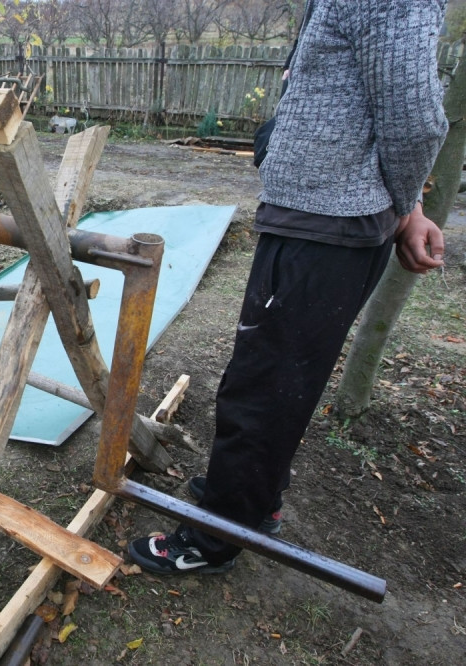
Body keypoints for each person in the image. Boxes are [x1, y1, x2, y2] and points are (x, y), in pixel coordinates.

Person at [126, 0, 449, 575]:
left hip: (327, 223)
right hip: (318, 215)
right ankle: (252, 499)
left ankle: (216, 538)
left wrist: (406, 206)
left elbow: (414, 118)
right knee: (279, 376)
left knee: (264, 385)